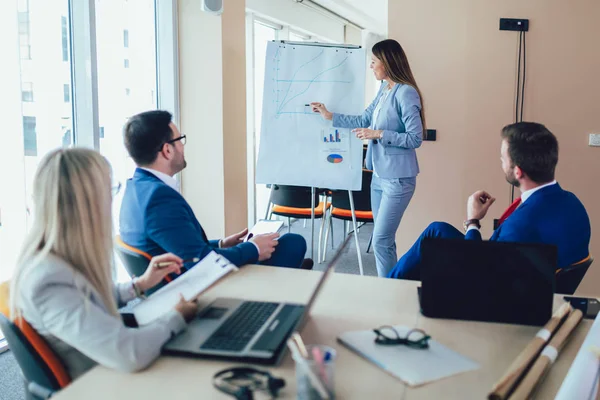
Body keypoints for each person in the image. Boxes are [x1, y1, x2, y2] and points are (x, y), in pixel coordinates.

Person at [9, 148, 198, 380]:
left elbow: (85, 297)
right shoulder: (48, 282)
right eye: (110, 190)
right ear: (87, 205)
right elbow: (130, 353)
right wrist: (176, 316)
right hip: (103, 382)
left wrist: (139, 285)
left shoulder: (54, 258)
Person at [388, 122, 591, 280]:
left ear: (518, 171)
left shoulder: (520, 225)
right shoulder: (573, 203)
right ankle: (390, 284)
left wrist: (473, 222)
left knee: (430, 246)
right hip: (529, 273)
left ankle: (388, 289)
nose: (501, 162)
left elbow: (476, 270)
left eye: (503, 158)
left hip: (502, 292)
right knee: (437, 229)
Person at [119, 110, 311, 270]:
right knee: (292, 242)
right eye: (180, 140)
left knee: (286, 244)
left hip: (183, 275)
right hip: (201, 288)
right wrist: (253, 248)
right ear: (167, 150)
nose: (183, 147)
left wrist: (221, 244)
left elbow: (181, 247)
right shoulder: (159, 199)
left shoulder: (135, 189)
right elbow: (200, 263)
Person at [311, 39, 426, 277]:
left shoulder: (406, 93)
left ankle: (387, 288)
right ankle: (391, 285)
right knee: (383, 240)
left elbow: (416, 138)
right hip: (379, 176)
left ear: (387, 62)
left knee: (381, 239)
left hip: (398, 179)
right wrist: (329, 115)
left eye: (374, 62)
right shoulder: (385, 90)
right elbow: (363, 119)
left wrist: (379, 134)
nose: (371, 67)